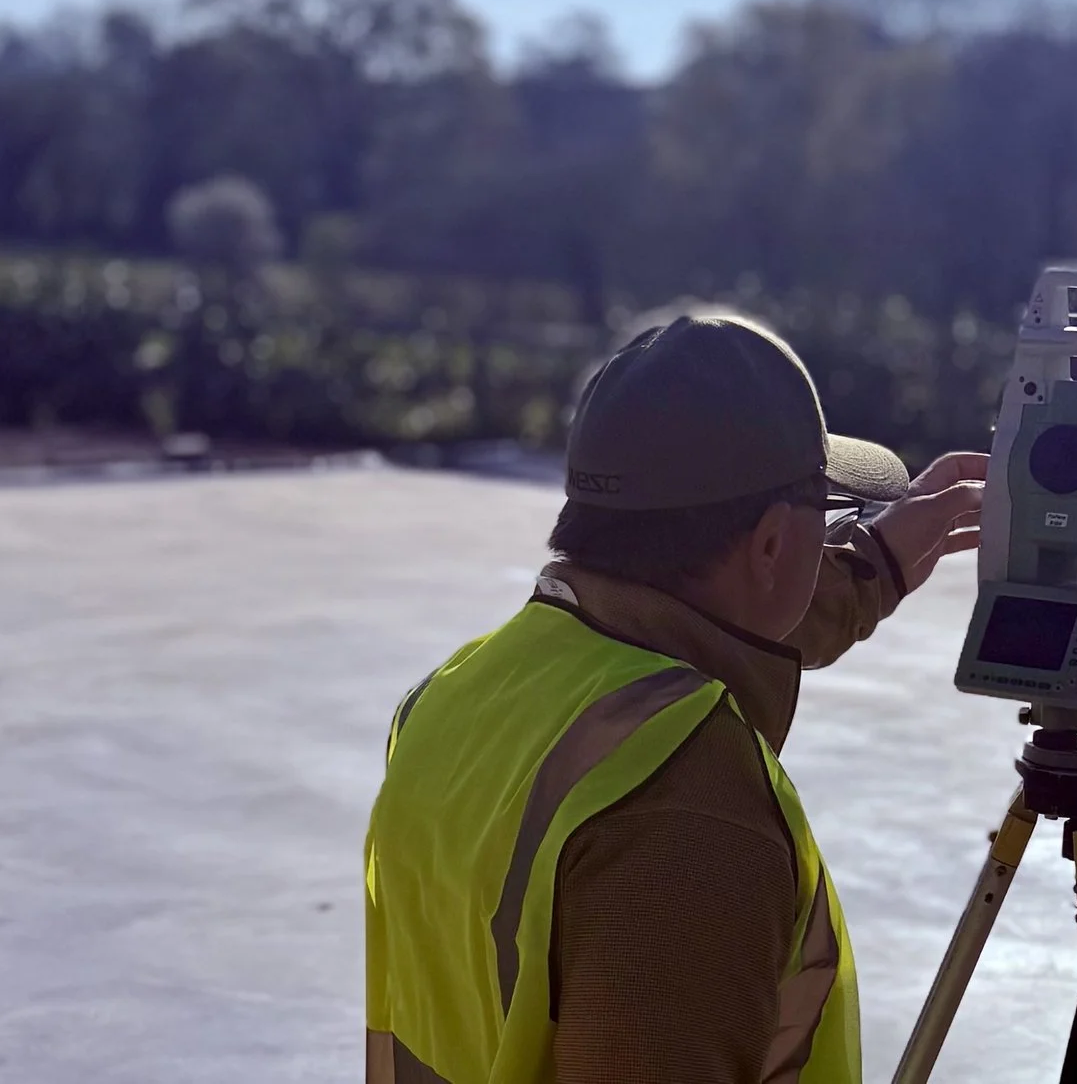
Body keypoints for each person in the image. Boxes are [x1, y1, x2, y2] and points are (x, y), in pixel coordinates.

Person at [365, 313, 987, 1084]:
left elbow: (710, 619)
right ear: (767, 545)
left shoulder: (459, 696)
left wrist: (879, 560)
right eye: (827, 516)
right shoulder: (690, 804)